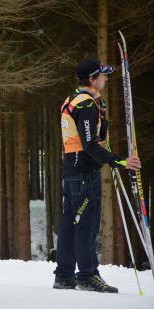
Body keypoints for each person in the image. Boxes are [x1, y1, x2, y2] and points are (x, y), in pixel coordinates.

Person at [53, 58, 141, 293]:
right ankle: (87, 275)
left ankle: (64, 276)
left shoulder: (75, 99)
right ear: (92, 79)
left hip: (74, 171)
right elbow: (90, 144)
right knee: (86, 226)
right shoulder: (85, 105)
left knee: (71, 223)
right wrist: (119, 161)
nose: (105, 78)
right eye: (102, 75)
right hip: (83, 173)